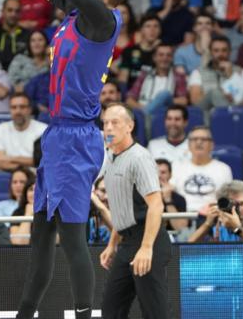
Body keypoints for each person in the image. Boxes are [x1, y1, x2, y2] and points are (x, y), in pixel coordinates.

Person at [14, 0, 128, 318]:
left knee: (72, 238)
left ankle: (83, 315)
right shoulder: (78, 13)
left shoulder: (103, 18)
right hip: (57, 134)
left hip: (78, 137)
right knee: (42, 235)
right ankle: (25, 314)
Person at [99, 103, 171, 319]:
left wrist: (147, 248)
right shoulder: (109, 157)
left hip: (148, 239)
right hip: (126, 241)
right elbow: (121, 206)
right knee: (111, 310)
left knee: (154, 311)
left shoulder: (139, 158)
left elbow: (156, 204)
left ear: (129, 126)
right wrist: (112, 244)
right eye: (105, 123)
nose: (109, 128)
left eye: (115, 123)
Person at [170, 126, 233, 212]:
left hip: (213, 216)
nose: (199, 142)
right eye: (195, 139)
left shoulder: (224, 169)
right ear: (188, 145)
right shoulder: (176, 167)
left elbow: (227, 198)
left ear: (212, 145)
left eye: (204, 139)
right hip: (183, 216)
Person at [189, 36, 243, 110]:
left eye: (224, 50)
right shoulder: (198, 72)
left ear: (230, 51)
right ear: (211, 52)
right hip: (206, 112)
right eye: (216, 51)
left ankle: (226, 117)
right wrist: (221, 96)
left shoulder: (241, 72)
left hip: (235, 108)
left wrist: (231, 76)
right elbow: (195, 101)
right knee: (215, 93)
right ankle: (228, 117)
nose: (220, 54)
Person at [126, 43, 188, 114]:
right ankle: (146, 113)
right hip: (142, 109)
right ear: (154, 58)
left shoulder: (178, 76)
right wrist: (142, 108)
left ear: (172, 58)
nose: (165, 58)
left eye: (168, 55)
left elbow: (183, 101)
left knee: (165, 95)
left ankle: (146, 113)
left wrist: (162, 100)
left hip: (165, 114)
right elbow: (129, 99)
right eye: (161, 55)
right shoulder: (144, 74)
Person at [0, 93, 47, 171]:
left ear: (30, 109)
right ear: (10, 110)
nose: (18, 111)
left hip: (36, 176)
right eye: (14, 107)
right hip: (11, 174)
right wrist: (23, 168)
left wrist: (10, 158)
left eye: (22, 107)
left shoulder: (43, 129)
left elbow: (41, 161)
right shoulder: (1, 128)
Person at [156, 158, 188, 231]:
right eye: (155, 172)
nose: (159, 176)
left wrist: (168, 200)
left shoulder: (179, 199)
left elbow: (181, 228)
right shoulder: (141, 196)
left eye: (163, 172)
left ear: (170, 175)